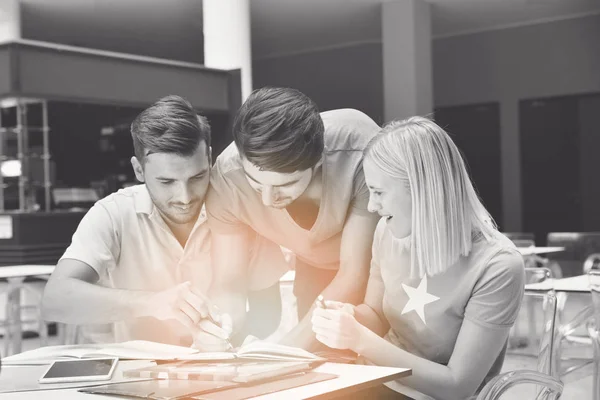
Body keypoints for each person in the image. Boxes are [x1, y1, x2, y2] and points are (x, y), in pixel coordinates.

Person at [42, 95, 285, 347]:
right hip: (134, 377)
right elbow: (55, 300)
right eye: (166, 182)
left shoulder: (240, 209)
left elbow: (269, 314)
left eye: (198, 177)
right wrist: (152, 303)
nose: (185, 197)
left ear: (210, 157)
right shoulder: (112, 215)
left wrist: (226, 333)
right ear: (138, 170)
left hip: (221, 369)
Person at [311, 116, 525, 400]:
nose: (372, 207)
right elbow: (376, 315)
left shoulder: (498, 265)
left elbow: (457, 386)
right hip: (373, 382)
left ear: (421, 188)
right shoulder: (386, 232)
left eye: (378, 192)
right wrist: (351, 318)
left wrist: (361, 341)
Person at [199, 87, 381, 350]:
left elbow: (354, 274)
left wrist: (283, 352)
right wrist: (219, 326)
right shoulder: (225, 180)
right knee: (318, 363)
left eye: (286, 185)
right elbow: (230, 281)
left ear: (318, 163)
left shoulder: (360, 150)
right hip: (312, 268)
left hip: (378, 272)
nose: (267, 200)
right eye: (256, 183)